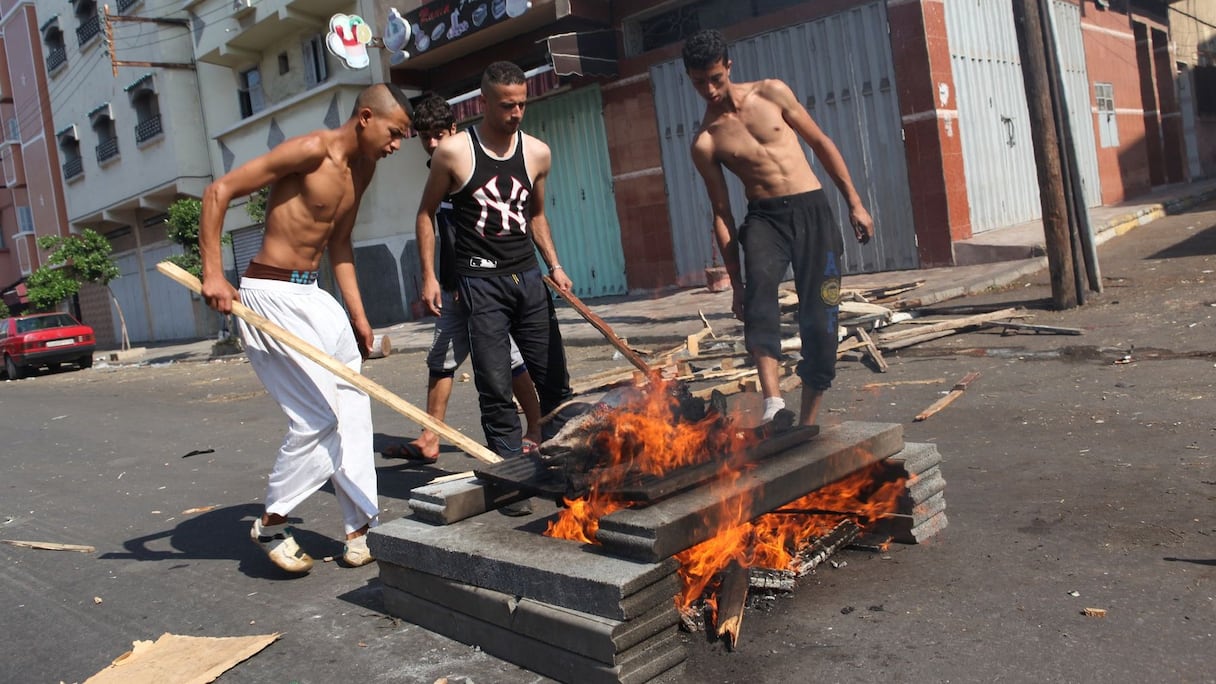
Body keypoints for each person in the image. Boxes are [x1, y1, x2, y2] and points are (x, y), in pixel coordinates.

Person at [199, 83, 413, 573]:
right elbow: (219, 191)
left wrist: (357, 316)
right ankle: (273, 522)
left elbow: (340, 244)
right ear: (365, 117)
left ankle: (359, 528)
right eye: (394, 132)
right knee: (319, 417)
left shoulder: (365, 167)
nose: (397, 144)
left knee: (354, 404)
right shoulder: (311, 150)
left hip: (314, 296)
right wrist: (214, 273)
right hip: (269, 294)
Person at [683, 29, 874, 428]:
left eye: (715, 78)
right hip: (765, 219)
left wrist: (854, 202)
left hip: (813, 211)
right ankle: (773, 404)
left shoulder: (771, 93)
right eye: (699, 82)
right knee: (759, 303)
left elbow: (820, 142)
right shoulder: (706, 141)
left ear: (729, 67)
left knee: (822, 321)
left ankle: (804, 423)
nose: (710, 89)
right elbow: (721, 213)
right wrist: (736, 284)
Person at [416, 61, 573, 464]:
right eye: (506, 106)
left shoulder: (538, 152)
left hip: (528, 277)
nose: (516, 113)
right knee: (495, 383)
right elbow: (425, 213)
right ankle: (512, 472)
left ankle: (562, 460)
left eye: (521, 105)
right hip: (479, 282)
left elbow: (535, 216)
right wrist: (430, 277)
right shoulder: (453, 152)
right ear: (483, 102)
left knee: (553, 378)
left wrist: (554, 265)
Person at [391, 93, 542, 462]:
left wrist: (465, 282)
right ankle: (430, 437)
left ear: (453, 130)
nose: (432, 142)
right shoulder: (437, 172)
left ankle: (538, 427)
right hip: (455, 285)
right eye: (425, 136)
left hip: (481, 283)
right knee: (440, 359)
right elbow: (435, 228)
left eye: (438, 134)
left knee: (507, 357)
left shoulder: (467, 167)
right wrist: (435, 279)